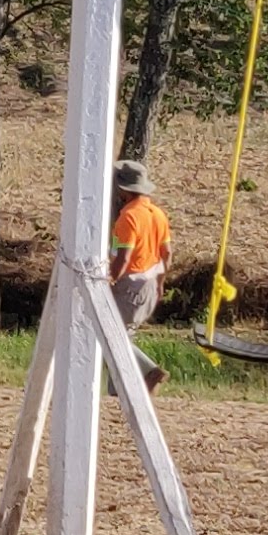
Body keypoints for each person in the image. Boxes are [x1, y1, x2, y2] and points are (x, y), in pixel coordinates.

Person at [109, 159, 173, 389]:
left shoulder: (128, 217)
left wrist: (110, 280)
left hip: (129, 286)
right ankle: (118, 391)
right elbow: (167, 253)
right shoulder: (158, 214)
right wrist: (160, 283)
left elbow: (124, 258)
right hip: (149, 285)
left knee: (111, 337)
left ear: (123, 189)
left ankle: (148, 370)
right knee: (124, 336)